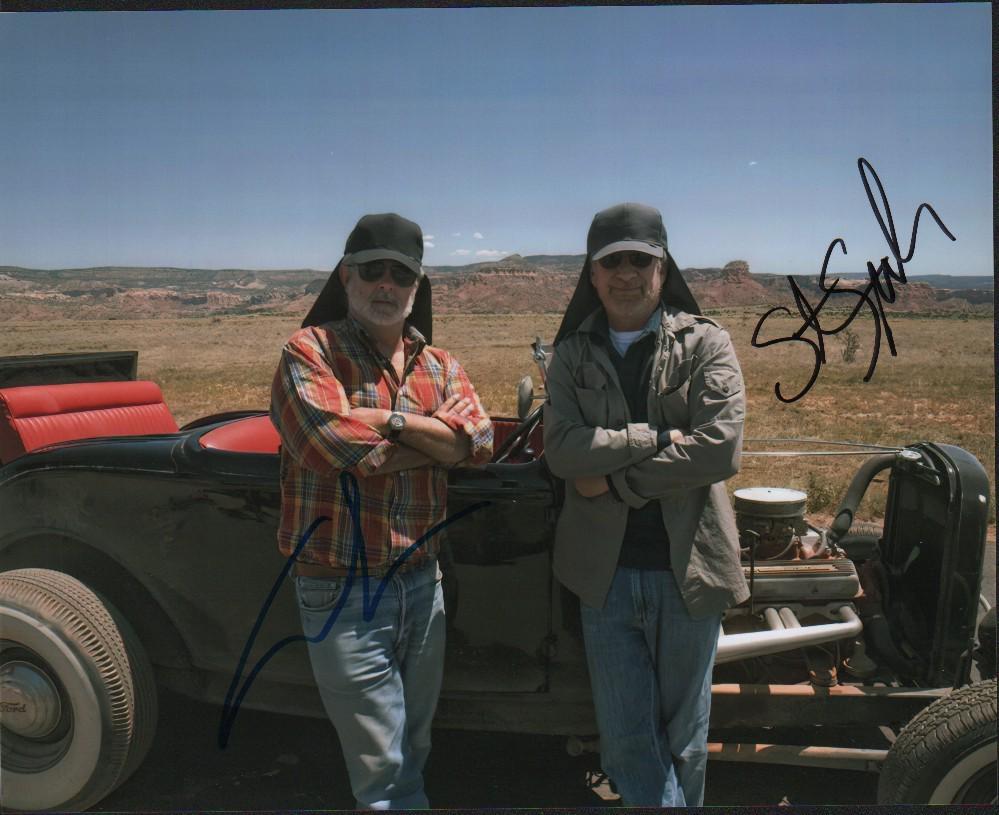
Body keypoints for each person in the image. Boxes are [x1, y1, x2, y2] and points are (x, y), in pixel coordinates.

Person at [270, 212, 493, 810]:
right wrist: (433, 445)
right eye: (373, 271)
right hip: (341, 589)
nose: (386, 285)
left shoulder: (440, 363)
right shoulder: (308, 352)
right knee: (383, 765)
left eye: (402, 273)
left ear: (417, 286)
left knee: (413, 743)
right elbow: (328, 444)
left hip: (423, 584)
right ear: (346, 277)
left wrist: (388, 420)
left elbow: (477, 441)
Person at [543, 202, 749, 807]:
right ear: (592, 273)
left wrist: (617, 483)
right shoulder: (571, 355)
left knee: (684, 736)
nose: (627, 273)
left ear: (663, 269)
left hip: (687, 570)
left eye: (641, 259)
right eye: (612, 261)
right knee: (628, 740)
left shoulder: (707, 343)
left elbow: (719, 448)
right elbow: (561, 450)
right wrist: (654, 438)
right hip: (602, 578)